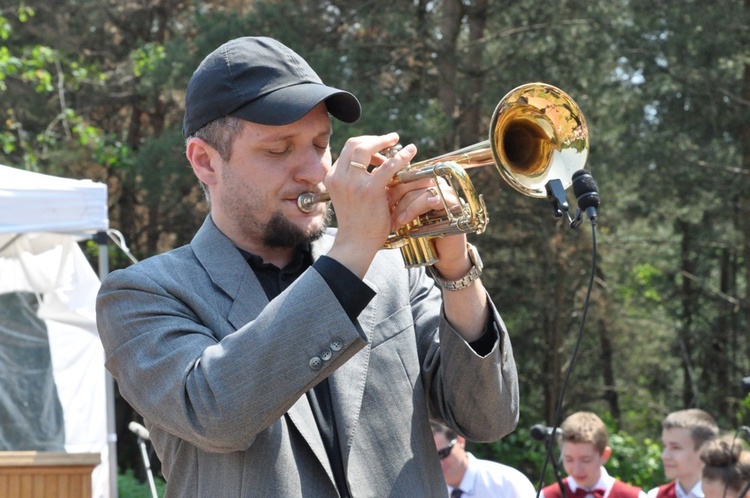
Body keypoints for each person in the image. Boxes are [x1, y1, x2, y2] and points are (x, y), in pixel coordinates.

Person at [96, 35, 521, 497]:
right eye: (279, 150)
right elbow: (215, 413)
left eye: (321, 144)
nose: (316, 172)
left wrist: (457, 272)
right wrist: (353, 251)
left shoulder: (390, 265)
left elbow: (488, 418)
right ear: (205, 162)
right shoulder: (142, 293)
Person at [539, 411, 646, 498]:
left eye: (586, 460)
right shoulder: (545, 496)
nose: (576, 470)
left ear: (604, 455)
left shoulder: (635, 496)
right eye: (568, 459)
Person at [431, 421, 536, 498]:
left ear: (460, 441)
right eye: (431, 459)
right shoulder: (426, 491)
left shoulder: (507, 483)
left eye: (443, 453)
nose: (439, 463)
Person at [647, 409, 719, 498]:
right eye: (664, 446)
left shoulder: (724, 494)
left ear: (704, 451)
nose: (664, 456)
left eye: (675, 448)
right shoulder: (654, 495)